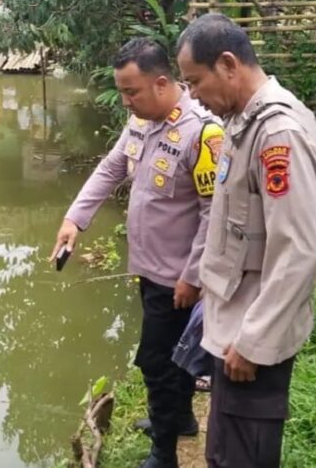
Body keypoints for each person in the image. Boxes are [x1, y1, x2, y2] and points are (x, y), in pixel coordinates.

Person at [50, 38, 224, 468]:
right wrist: (76, 219)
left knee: (156, 363)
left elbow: (213, 212)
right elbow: (111, 167)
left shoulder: (202, 133)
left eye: (132, 91)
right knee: (173, 356)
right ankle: (180, 419)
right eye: (123, 91)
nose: (125, 101)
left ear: (162, 83)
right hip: (148, 269)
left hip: (178, 279)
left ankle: (163, 455)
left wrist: (193, 275)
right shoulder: (142, 122)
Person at [174, 13, 316, 468]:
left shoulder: (278, 133)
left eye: (195, 82)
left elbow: (297, 249)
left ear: (227, 64)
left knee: (244, 456)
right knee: (224, 451)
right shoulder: (243, 122)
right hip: (232, 321)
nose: (193, 97)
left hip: (252, 334)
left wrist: (255, 341)